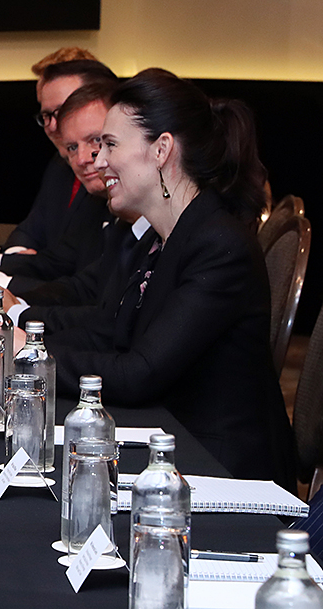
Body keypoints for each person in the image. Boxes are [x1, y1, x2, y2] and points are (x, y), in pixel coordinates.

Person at [43, 69, 294, 487]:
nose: (97, 161)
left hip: (225, 474)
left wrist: (33, 360)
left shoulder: (218, 244)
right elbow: (110, 328)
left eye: (110, 145)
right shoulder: (165, 237)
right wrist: (26, 337)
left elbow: (139, 373)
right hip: (174, 446)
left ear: (161, 150)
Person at [0, 82, 116, 296]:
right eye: (72, 147)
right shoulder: (90, 194)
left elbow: (88, 296)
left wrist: (4, 295)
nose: (81, 159)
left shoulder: (140, 214)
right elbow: (55, 261)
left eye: (96, 140)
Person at [2, 55, 116, 253]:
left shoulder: (110, 180)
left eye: (64, 111)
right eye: (47, 115)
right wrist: (12, 260)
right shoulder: (60, 164)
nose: (55, 126)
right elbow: (30, 231)